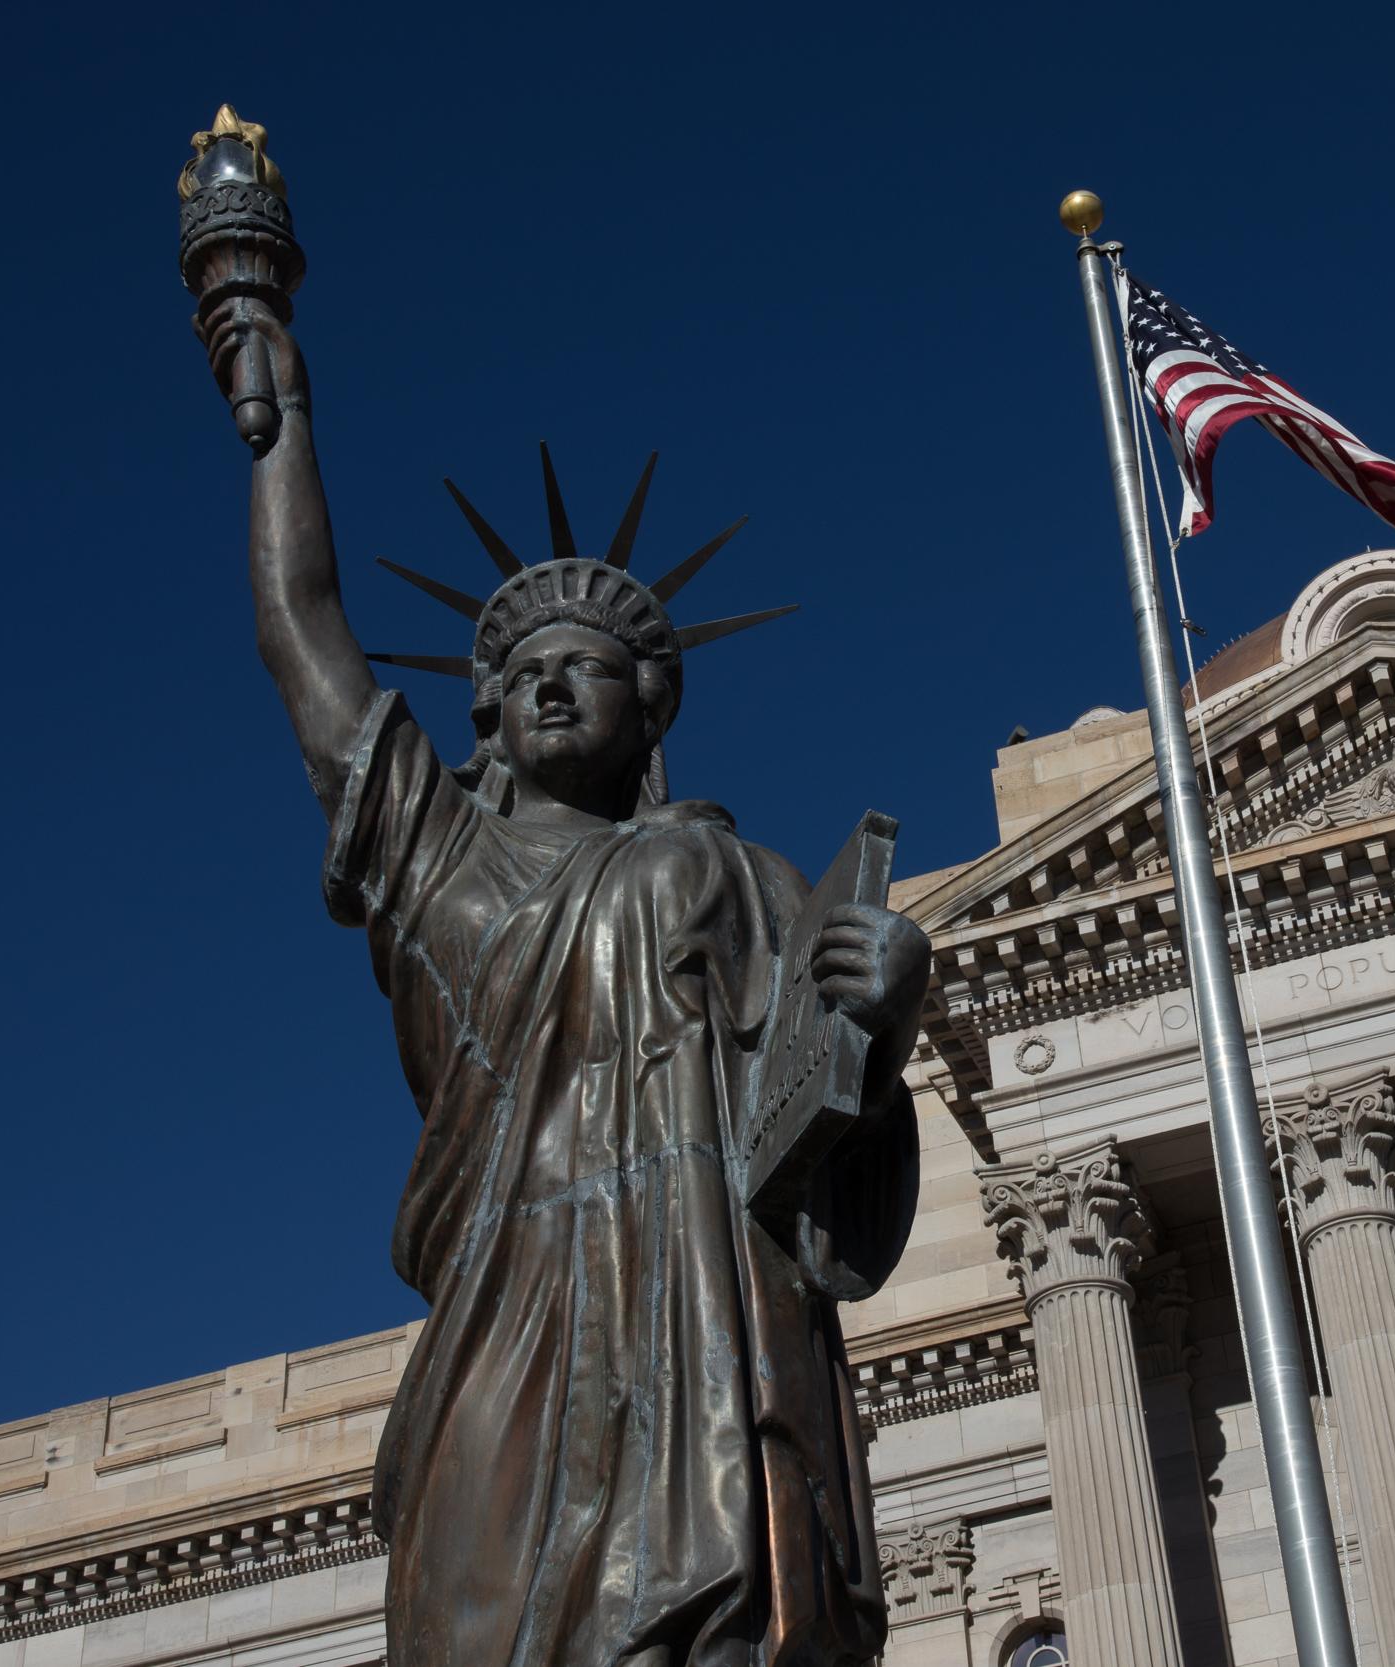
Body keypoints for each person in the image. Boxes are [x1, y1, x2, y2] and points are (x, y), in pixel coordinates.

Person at [202, 299, 929, 1667]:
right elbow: (302, 637)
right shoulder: (440, 869)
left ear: (647, 710)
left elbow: (816, 1138)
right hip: (508, 1321)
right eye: (524, 673)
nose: (548, 690)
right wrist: (281, 417)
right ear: (484, 712)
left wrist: (884, 1014)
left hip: (714, 1316)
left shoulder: (731, 876)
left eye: (584, 671)